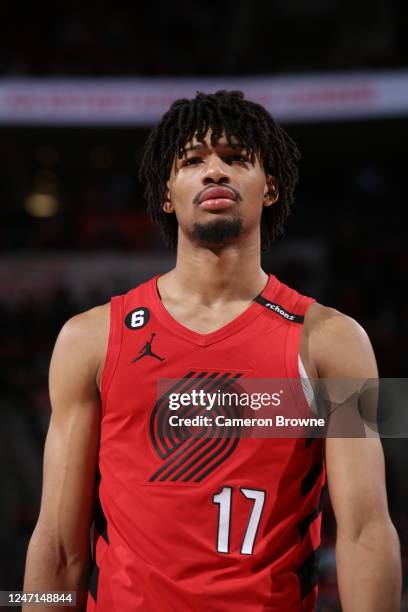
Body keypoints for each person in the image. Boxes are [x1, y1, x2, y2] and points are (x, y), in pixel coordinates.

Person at [23, 90, 401, 611]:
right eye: (193, 161)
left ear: (269, 187)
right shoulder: (88, 338)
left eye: (236, 158)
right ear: (166, 193)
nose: (214, 171)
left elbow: (365, 530)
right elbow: (58, 543)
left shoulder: (337, 341)